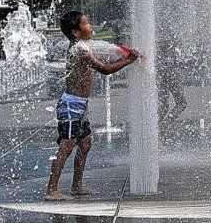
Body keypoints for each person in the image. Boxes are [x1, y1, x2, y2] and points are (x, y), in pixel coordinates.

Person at [45, 11, 141, 201]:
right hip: (71, 105)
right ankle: (52, 190)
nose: (91, 26)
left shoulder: (82, 47)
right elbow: (105, 70)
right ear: (75, 32)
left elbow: (105, 58)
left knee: (85, 144)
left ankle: (77, 185)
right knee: (66, 147)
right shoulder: (79, 51)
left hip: (81, 105)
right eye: (87, 23)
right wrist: (129, 60)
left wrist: (121, 53)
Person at [156, 38, 188, 127]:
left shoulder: (154, 36)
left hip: (159, 73)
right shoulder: (172, 37)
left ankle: (154, 126)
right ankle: (165, 123)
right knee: (182, 103)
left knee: (164, 106)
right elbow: (179, 61)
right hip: (171, 71)